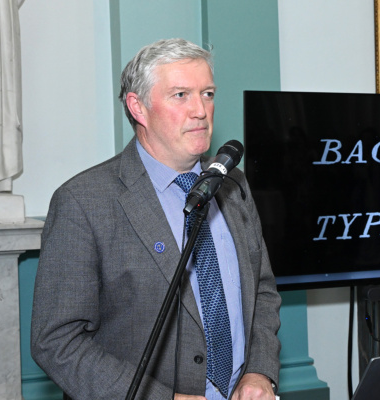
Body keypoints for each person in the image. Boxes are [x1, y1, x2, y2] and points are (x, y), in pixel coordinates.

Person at [31, 38, 281, 400]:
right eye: (181, 95)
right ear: (139, 107)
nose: (200, 110)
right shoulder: (84, 201)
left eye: (207, 94)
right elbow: (56, 341)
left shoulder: (232, 183)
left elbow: (262, 291)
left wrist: (259, 373)